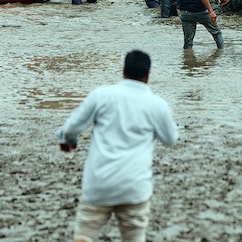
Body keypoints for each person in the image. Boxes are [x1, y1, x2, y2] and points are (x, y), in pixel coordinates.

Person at [57, 50, 178, 242]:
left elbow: (72, 127)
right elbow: (170, 139)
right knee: (134, 236)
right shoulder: (157, 105)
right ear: (147, 75)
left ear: (123, 71)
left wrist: (68, 141)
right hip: (134, 186)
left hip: (98, 183)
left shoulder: (102, 95)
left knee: (85, 233)